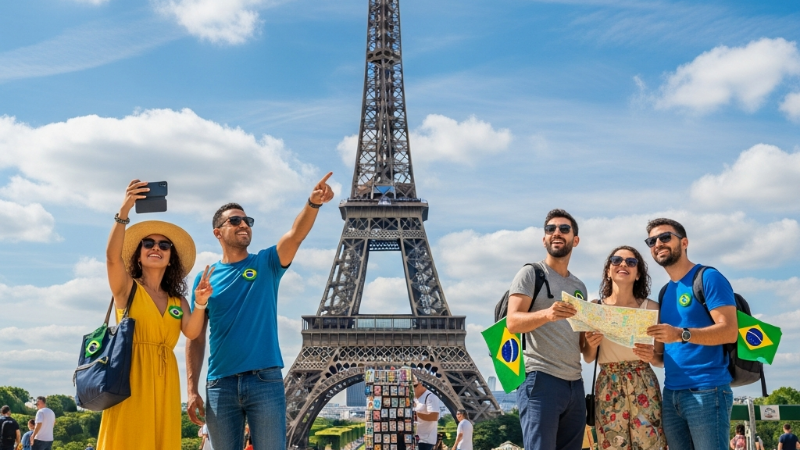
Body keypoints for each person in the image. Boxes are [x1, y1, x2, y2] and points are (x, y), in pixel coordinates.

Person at [185, 173, 335, 450]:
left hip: (264, 381)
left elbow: (295, 235)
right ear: (218, 232)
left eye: (247, 221)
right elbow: (195, 336)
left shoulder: (267, 263)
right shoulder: (205, 279)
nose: (244, 224)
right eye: (235, 221)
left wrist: (313, 204)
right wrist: (192, 389)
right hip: (220, 384)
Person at [96, 180, 212, 449]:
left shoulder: (177, 300)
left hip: (165, 379)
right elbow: (112, 259)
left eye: (164, 245)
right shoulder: (127, 289)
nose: (155, 248)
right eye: (148, 243)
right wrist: (124, 210)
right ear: (138, 256)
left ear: (171, 257)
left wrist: (201, 303)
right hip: (130, 374)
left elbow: (193, 333)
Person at [644, 218, 738, 450]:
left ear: (684, 242)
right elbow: (664, 356)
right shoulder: (665, 292)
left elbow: (729, 331)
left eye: (665, 237)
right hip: (672, 393)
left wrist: (680, 334)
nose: (658, 243)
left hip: (707, 391)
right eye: (652, 240)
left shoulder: (708, 277)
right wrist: (650, 356)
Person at [506, 209, 588, 450]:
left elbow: (580, 343)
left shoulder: (579, 286)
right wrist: (547, 314)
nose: (556, 233)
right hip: (541, 379)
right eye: (550, 229)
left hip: (575, 383)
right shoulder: (530, 273)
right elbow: (512, 322)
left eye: (564, 229)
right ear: (544, 239)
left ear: (576, 240)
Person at [582, 246, 665, 450]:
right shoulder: (595, 308)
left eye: (631, 262)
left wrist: (651, 356)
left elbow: (661, 359)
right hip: (608, 385)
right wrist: (591, 345)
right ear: (608, 271)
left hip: (643, 382)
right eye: (616, 260)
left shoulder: (652, 308)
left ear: (638, 275)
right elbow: (588, 357)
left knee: (650, 445)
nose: (623, 264)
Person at [413, 377, 441, 450]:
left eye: (415, 386)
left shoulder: (431, 397)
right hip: (416, 438)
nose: (413, 388)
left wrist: (415, 414)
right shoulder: (414, 398)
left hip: (425, 440)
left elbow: (434, 416)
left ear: (422, 384)